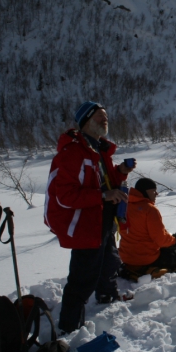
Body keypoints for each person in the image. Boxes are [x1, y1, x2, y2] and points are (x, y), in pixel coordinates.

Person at [44, 101, 135, 334]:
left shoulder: (98, 149)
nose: (105, 120)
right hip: (84, 224)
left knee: (109, 262)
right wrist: (104, 196)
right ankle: (70, 327)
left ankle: (107, 296)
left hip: (102, 219)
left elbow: (104, 181)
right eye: (99, 117)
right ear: (85, 121)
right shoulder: (73, 153)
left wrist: (120, 173)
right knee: (82, 279)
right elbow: (65, 196)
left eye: (106, 116)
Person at [118, 178, 176, 281]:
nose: (156, 194)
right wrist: (174, 240)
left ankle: (132, 269)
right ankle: (150, 271)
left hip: (125, 256)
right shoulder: (149, 209)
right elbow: (161, 239)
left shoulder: (124, 207)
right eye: (154, 191)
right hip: (146, 257)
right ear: (146, 191)